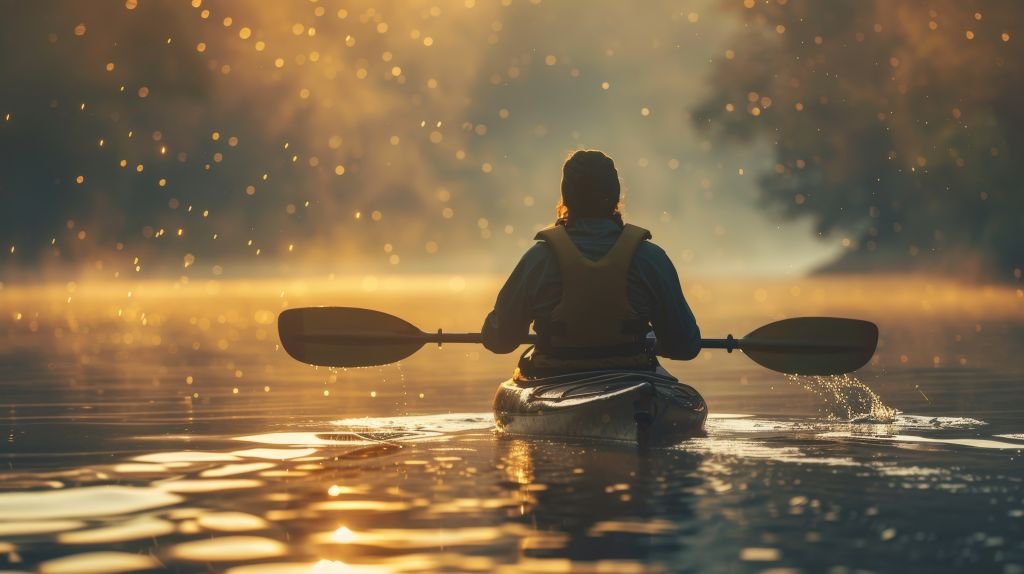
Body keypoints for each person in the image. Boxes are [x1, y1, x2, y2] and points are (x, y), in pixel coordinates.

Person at [482, 149, 701, 376]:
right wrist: (653, 341)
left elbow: (500, 341)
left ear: (566, 198)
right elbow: (685, 346)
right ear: (615, 197)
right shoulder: (649, 258)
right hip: (634, 380)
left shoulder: (539, 259)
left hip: (553, 376)